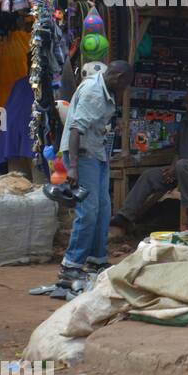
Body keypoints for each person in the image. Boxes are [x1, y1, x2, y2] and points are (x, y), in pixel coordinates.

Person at [58, 60, 134, 287]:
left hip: (96, 153)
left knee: (103, 208)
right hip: (82, 155)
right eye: (125, 86)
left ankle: (96, 260)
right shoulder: (94, 92)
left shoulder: (102, 89)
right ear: (118, 78)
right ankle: (70, 266)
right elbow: (75, 130)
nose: (124, 91)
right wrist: (72, 166)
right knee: (88, 211)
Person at [110, 89, 188, 233]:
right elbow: (177, 151)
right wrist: (172, 167)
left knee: (183, 165)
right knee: (149, 176)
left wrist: (176, 166)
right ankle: (125, 216)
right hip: (183, 168)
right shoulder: (185, 122)